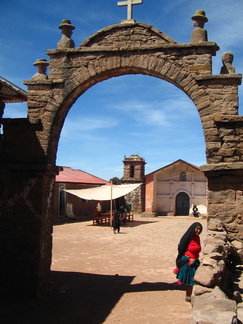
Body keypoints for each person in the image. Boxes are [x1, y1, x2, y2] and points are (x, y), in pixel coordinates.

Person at [173, 222, 203, 302]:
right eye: (197, 229)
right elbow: (181, 246)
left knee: (195, 279)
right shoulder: (188, 237)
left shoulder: (197, 238)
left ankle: (193, 295)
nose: (198, 231)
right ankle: (188, 296)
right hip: (188, 261)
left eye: (200, 229)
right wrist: (187, 258)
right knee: (190, 280)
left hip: (195, 260)